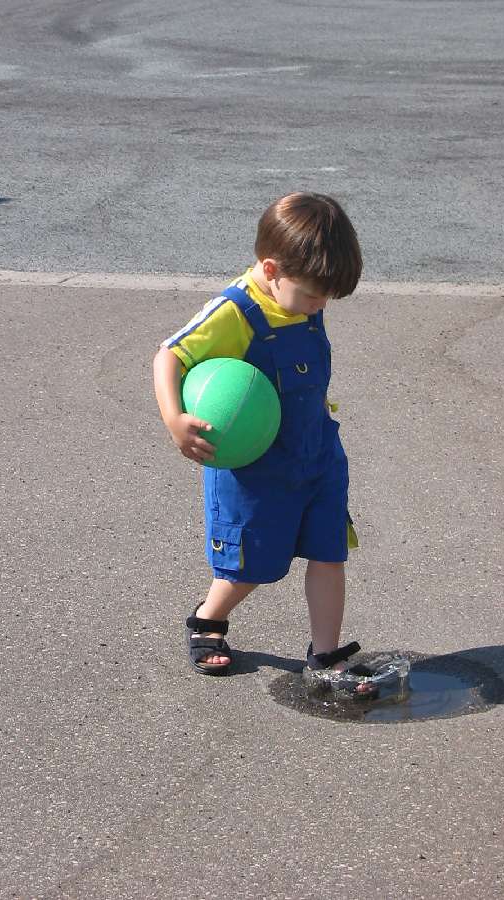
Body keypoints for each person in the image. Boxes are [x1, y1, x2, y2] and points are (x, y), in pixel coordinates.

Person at [153, 192, 375, 694]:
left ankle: (325, 654)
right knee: (252, 562)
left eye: (326, 299)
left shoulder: (299, 293)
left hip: (317, 453)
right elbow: (169, 355)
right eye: (314, 297)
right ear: (271, 270)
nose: (320, 307)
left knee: (328, 551)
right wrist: (174, 419)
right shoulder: (233, 312)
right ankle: (208, 618)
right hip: (256, 467)